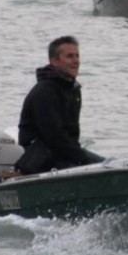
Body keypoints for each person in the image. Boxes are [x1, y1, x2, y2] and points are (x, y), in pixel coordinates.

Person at [15, 36, 104, 174]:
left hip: (63, 152)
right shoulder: (44, 92)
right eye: (69, 56)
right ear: (55, 61)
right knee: (97, 168)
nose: (76, 61)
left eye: (77, 56)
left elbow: (71, 135)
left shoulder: (73, 90)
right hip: (41, 157)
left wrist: (83, 157)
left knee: (112, 164)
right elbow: (54, 136)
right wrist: (83, 160)